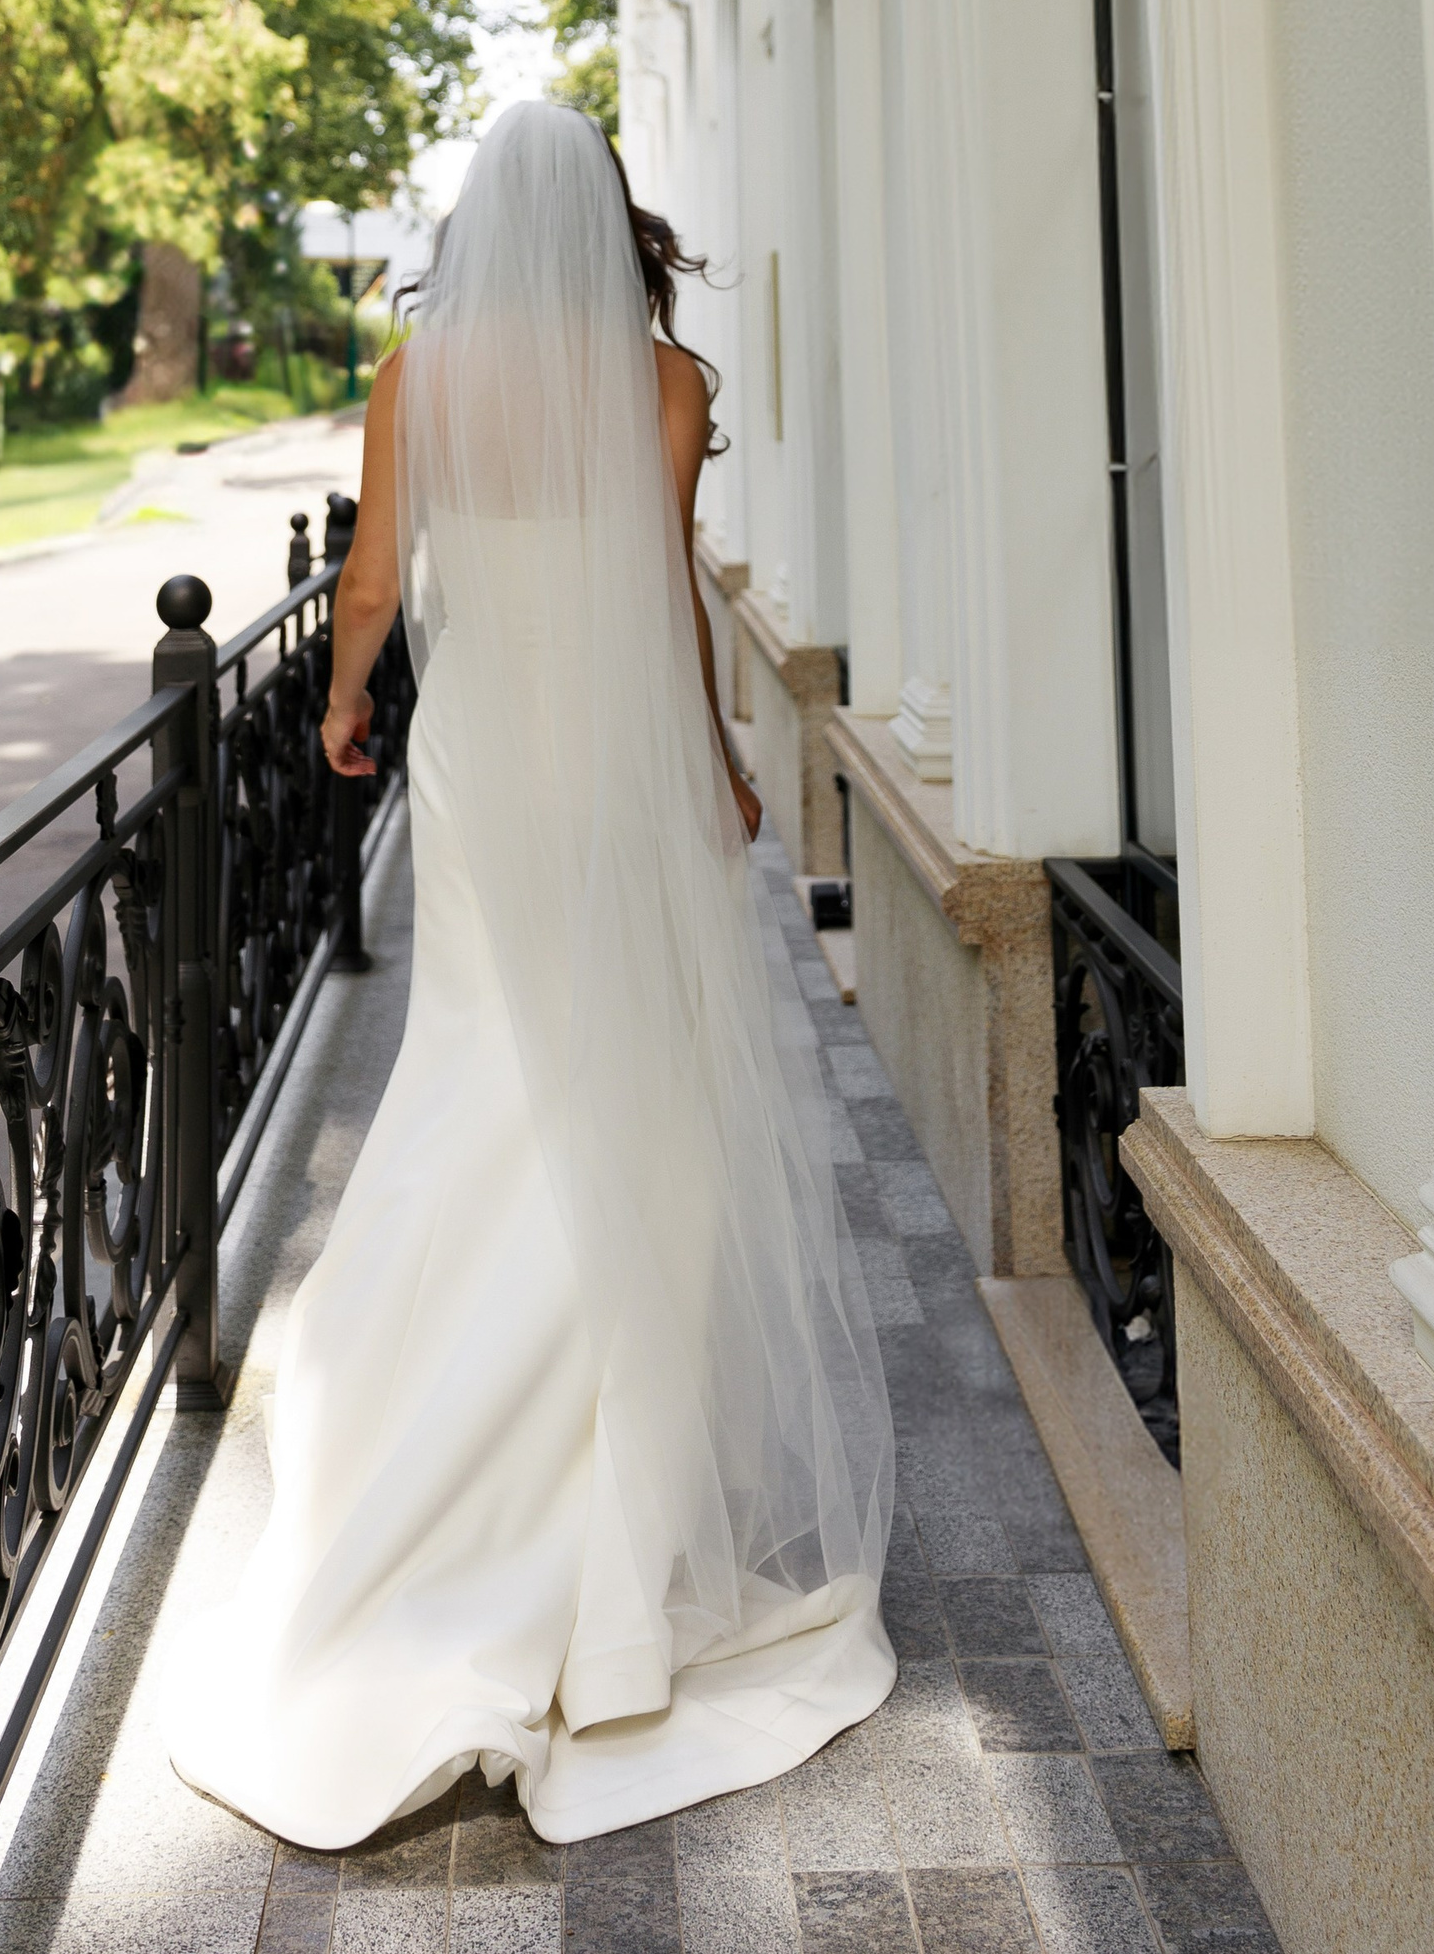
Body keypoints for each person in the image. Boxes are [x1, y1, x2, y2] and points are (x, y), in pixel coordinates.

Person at [168, 101, 893, 1845]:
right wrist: (714, 758)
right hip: (615, 755)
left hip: (486, 750)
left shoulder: (423, 376)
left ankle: (442, 1478)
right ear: (608, 220)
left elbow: (368, 584)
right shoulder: (671, 385)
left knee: (484, 1072)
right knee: (630, 1093)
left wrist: (347, 703)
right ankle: (602, 1536)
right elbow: (663, 587)